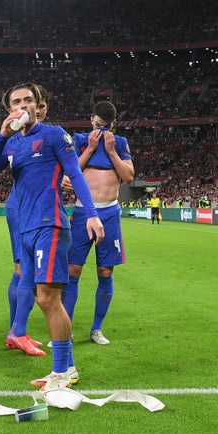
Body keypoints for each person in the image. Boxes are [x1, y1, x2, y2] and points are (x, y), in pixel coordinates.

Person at [0, 83, 105, 392]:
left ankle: (62, 372)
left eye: (28, 100)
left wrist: (90, 213)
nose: (22, 106)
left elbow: (75, 173)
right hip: (26, 228)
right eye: (16, 102)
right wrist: (2, 136)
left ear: (38, 105)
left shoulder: (53, 135)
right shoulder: (13, 144)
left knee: (48, 298)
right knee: (43, 298)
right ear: (9, 110)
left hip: (50, 226)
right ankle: (66, 369)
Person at [62, 101, 135, 346]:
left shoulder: (120, 143)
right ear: (91, 119)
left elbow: (128, 177)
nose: (100, 128)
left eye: (105, 125)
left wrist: (112, 151)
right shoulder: (80, 139)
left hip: (110, 214)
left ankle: (96, 329)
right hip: (83, 213)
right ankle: (66, 329)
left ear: (112, 124)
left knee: (105, 271)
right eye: (97, 123)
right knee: (73, 270)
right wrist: (91, 149)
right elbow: (70, 171)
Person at [3, 85, 52, 356]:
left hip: (39, 209)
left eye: (40, 105)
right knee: (23, 269)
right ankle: (16, 330)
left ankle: (18, 329)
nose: (37, 109)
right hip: (22, 208)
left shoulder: (50, 135)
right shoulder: (16, 139)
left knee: (29, 271)